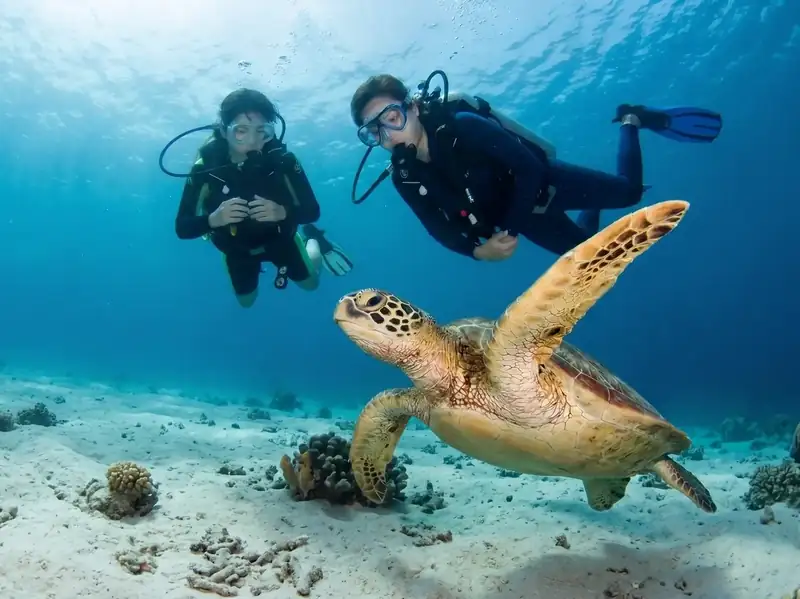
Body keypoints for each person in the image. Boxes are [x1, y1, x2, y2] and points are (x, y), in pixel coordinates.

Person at [348, 71, 722, 261]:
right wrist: (477, 251)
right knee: (588, 256)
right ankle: (592, 206)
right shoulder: (404, 177)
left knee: (628, 192)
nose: (388, 134)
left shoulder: (461, 126)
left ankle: (632, 120)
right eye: (374, 131)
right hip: (524, 218)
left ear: (412, 107)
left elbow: (528, 167)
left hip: (545, 184)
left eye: (392, 117)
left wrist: (508, 227)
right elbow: (435, 226)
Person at [171, 89, 353, 307]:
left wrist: (282, 212)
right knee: (246, 302)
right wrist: (213, 220)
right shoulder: (205, 169)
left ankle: (313, 241)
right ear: (224, 131)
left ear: (270, 131)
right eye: (241, 131)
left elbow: (312, 211)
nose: (252, 140)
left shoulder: (284, 162)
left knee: (311, 285)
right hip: (236, 250)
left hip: (282, 241)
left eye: (262, 131)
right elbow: (182, 227)